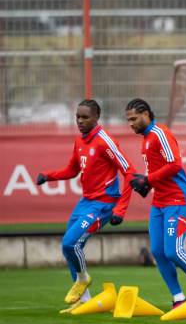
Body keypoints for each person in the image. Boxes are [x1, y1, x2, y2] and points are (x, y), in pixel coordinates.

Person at [36, 99, 135, 313]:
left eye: (84, 117)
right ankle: (85, 300)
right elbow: (72, 170)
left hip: (103, 204)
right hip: (86, 202)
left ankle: (82, 280)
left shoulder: (105, 141)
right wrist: (48, 176)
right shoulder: (80, 140)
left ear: (96, 118)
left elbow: (130, 171)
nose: (79, 121)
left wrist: (120, 210)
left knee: (70, 244)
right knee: (71, 248)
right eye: (77, 117)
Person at [125, 98, 186, 308]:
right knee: (157, 250)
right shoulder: (145, 139)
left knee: (173, 251)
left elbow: (175, 165)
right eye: (128, 120)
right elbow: (157, 170)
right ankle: (178, 298)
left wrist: (147, 180)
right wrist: (147, 184)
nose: (130, 124)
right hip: (160, 201)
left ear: (146, 114)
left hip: (179, 198)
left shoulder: (160, 134)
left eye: (134, 119)